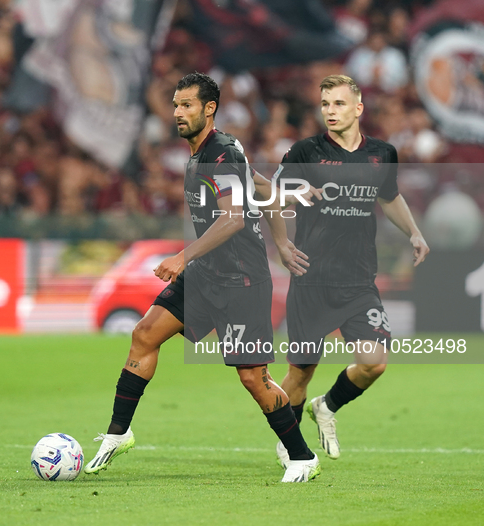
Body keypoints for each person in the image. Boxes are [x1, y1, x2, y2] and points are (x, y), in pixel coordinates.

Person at [84, 72, 320, 483]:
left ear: (209, 109)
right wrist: (281, 242)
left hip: (242, 281)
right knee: (144, 334)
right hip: (206, 275)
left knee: (253, 378)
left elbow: (231, 219)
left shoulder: (222, 153)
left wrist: (182, 256)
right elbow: (267, 191)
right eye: (176, 105)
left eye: (187, 105)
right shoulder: (202, 153)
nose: (177, 113)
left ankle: (302, 456)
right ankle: (118, 434)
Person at [272, 74, 429, 462]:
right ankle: (291, 446)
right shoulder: (305, 152)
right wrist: (281, 244)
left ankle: (326, 406)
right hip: (311, 279)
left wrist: (413, 232)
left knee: (374, 362)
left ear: (358, 108)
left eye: (339, 104)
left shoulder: (382, 153)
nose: (330, 111)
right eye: (325, 104)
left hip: (358, 280)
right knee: (301, 372)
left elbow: (389, 196)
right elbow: (270, 194)